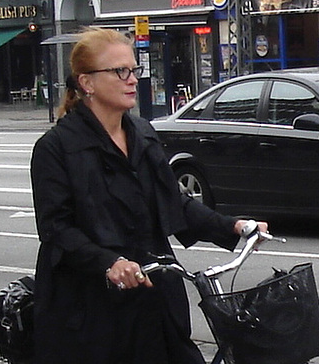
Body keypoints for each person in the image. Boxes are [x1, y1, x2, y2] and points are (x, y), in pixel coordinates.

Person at [30, 27, 267, 364]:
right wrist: (109, 263)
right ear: (87, 83)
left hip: (156, 298)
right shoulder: (55, 148)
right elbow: (56, 229)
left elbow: (173, 202)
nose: (132, 79)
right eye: (119, 71)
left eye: (134, 70)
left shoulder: (142, 132)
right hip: (93, 310)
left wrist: (232, 227)